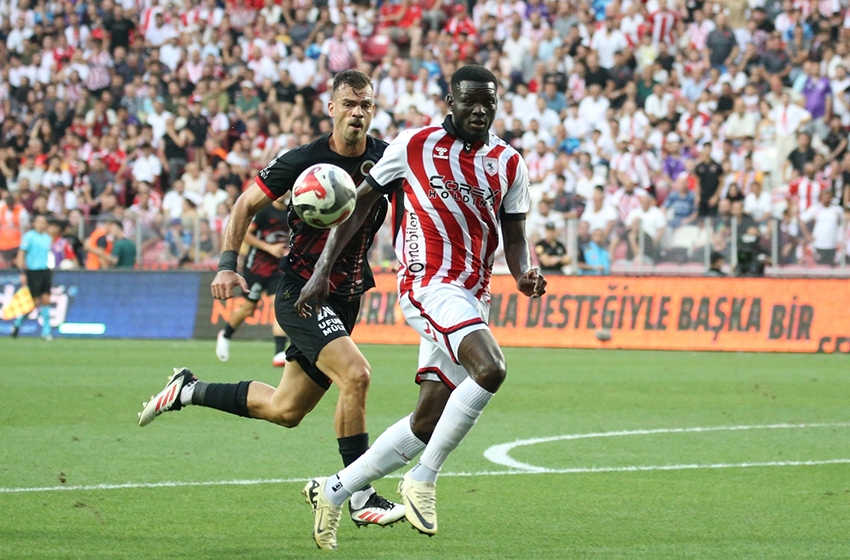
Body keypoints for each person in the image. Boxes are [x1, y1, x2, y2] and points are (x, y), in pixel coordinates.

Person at [294, 65, 547, 550]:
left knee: (427, 421)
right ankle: (423, 479)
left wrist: (524, 272)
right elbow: (360, 205)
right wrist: (323, 268)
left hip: (473, 295)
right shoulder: (415, 145)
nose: (479, 110)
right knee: (491, 369)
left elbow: (515, 237)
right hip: (427, 284)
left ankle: (333, 489)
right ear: (449, 101)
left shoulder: (509, 162)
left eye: (488, 103)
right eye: (470, 101)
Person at [137, 70, 404, 528]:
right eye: (349, 104)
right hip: (302, 293)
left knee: (286, 410)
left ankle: (187, 389)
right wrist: (227, 263)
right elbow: (244, 205)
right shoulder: (301, 160)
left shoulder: (386, 159)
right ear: (331, 108)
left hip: (348, 295)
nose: (357, 113)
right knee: (356, 375)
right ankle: (359, 495)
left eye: (366, 106)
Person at [215, 196, 291, 367]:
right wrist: (269, 248)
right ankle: (225, 334)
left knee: (280, 305)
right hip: (256, 267)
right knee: (249, 309)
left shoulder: (289, 212)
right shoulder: (264, 212)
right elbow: (247, 236)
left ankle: (279, 352)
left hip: (277, 268)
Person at [12, 214, 54, 339]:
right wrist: (22, 272)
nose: (41, 224)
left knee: (46, 300)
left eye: (43, 222)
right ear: (34, 223)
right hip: (33, 272)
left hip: (45, 270)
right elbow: (21, 255)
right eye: (39, 222)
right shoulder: (28, 237)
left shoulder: (47, 238)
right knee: (34, 303)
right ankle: (17, 324)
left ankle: (46, 331)